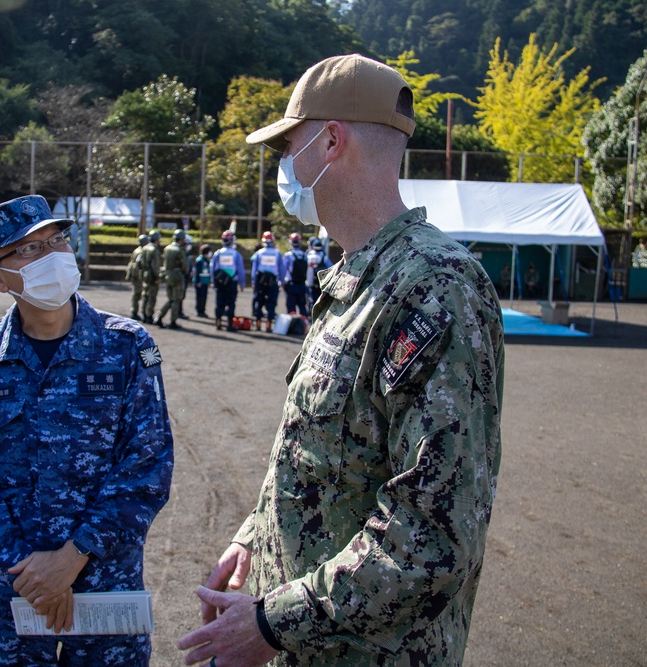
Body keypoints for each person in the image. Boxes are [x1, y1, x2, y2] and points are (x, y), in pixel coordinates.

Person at [178, 54, 504, 667]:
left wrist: (274, 623)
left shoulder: (436, 288)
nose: (282, 163)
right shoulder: (356, 275)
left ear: (330, 141)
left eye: (289, 142)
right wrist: (259, 532)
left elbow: (432, 532)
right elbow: (325, 448)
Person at [0, 194, 174, 666]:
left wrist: (72, 558)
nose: (51, 255)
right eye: (29, 250)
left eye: (57, 240)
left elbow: (148, 463)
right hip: (15, 597)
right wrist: (29, 573)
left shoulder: (130, 346)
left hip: (107, 584)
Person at [211, 229, 246, 331]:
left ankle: (218, 322)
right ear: (231, 241)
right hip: (232, 282)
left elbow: (212, 268)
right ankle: (230, 324)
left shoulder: (217, 253)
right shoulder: (236, 254)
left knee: (219, 302)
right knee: (231, 303)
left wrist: (213, 281)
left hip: (220, 282)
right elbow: (240, 270)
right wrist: (242, 283)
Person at [250, 231, 285, 332]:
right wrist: (281, 282)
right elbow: (282, 270)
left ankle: (258, 324)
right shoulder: (277, 254)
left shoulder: (259, 253)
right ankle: (269, 325)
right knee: (271, 303)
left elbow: (254, 269)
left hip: (260, 280)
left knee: (259, 302)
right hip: (272, 281)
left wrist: (253, 282)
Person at [156, 229, 191, 329]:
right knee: (176, 299)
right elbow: (185, 266)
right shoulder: (180, 250)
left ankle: (159, 316)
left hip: (167, 275)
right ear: (181, 239)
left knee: (171, 299)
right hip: (177, 276)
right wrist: (184, 272)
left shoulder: (167, 248)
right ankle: (173, 321)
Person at [137, 229, 162, 325]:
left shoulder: (144, 248)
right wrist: (157, 277)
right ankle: (149, 316)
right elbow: (155, 266)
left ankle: (143, 314)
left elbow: (139, 262)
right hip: (152, 276)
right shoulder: (154, 250)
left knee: (145, 295)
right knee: (152, 296)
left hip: (144, 275)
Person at [282, 232, 309, 318]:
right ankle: (304, 327)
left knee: (291, 306)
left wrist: (281, 282)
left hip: (291, 284)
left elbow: (283, 270)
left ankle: (292, 325)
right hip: (302, 284)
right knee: (302, 306)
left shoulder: (288, 255)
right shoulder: (304, 255)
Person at [126, 234, 149, 320]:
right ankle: (135, 312)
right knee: (138, 294)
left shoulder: (136, 250)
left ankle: (134, 311)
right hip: (139, 276)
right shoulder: (141, 252)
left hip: (135, 275)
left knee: (136, 294)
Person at [305, 236, 332, 306]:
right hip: (321, 283)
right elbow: (331, 268)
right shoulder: (324, 257)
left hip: (310, 283)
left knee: (311, 301)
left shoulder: (308, 256)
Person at [193, 244, 213, 318]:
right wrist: (198, 282)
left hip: (205, 282)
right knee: (200, 297)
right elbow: (197, 272)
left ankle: (202, 310)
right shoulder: (200, 260)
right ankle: (199, 310)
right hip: (200, 282)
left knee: (204, 297)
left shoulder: (206, 260)